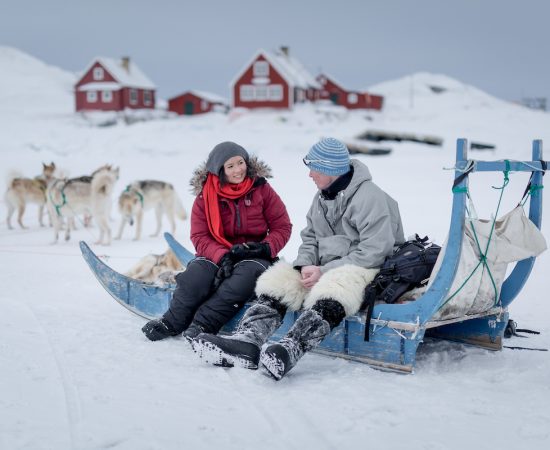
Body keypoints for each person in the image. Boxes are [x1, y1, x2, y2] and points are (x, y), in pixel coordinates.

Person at [192, 137, 405, 379]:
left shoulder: (370, 197)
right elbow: (310, 237)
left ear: (330, 169)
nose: (310, 174)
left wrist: (324, 271)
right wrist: (304, 264)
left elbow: (375, 250)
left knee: (337, 286)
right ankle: (247, 341)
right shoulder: (323, 196)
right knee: (279, 280)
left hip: (366, 266)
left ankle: (290, 349)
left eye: (314, 168)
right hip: (325, 265)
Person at [142, 141, 292, 341]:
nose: (238, 170)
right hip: (216, 253)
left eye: (240, 163)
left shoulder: (261, 189)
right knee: (194, 278)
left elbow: (282, 226)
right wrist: (222, 256)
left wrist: (265, 247)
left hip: (254, 255)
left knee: (240, 281)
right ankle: (172, 321)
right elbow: (199, 236)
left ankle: (203, 324)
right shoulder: (205, 196)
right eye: (230, 166)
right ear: (219, 170)